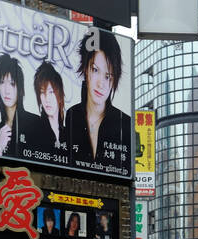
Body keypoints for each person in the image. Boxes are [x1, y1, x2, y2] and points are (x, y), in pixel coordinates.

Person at [64, 30, 130, 169]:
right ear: (86, 70)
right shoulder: (72, 115)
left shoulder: (125, 123)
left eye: (108, 76)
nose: (101, 84)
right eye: (95, 70)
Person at [25, 62, 68, 162]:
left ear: (60, 94)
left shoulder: (68, 134)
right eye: (42, 92)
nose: (47, 99)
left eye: (51, 92)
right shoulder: (34, 129)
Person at [0, 53, 28, 158]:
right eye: (2, 82)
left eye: (12, 83)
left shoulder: (34, 123)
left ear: (20, 88)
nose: (6, 90)